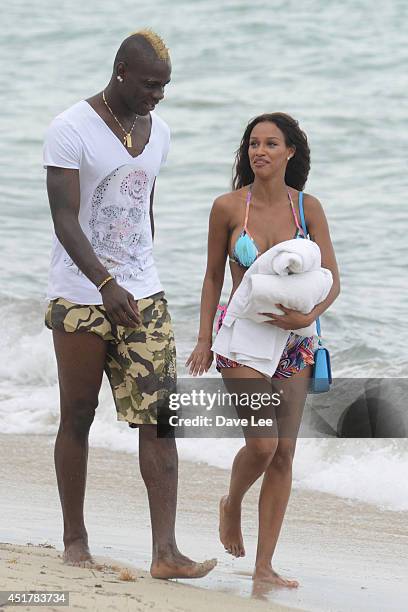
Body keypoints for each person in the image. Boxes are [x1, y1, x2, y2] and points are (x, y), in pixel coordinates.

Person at [43, 29, 216, 579]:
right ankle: (75, 539)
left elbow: (144, 205)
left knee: (162, 420)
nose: (156, 96)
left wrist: (139, 275)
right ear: (120, 70)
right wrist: (104, 282)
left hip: (143, 292)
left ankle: (165, 552)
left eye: (164, 87)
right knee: (78, 414)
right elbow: (65, 219)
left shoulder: (158, 130)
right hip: (80, 294)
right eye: (148, 85)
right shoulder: (70, 128)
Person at [186, 113, 340, 587]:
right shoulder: (229, 207)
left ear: (290, 151)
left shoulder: (307, 208)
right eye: (254, 143)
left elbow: (332, 279)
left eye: (271, 143)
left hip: (295, 341)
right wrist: (204, 339)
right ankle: (231, 504)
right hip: (241, 341)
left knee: (285, 454)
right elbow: (214, 276)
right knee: (262, 443)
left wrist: (309, 317)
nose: (260, 151)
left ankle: (264, 564)